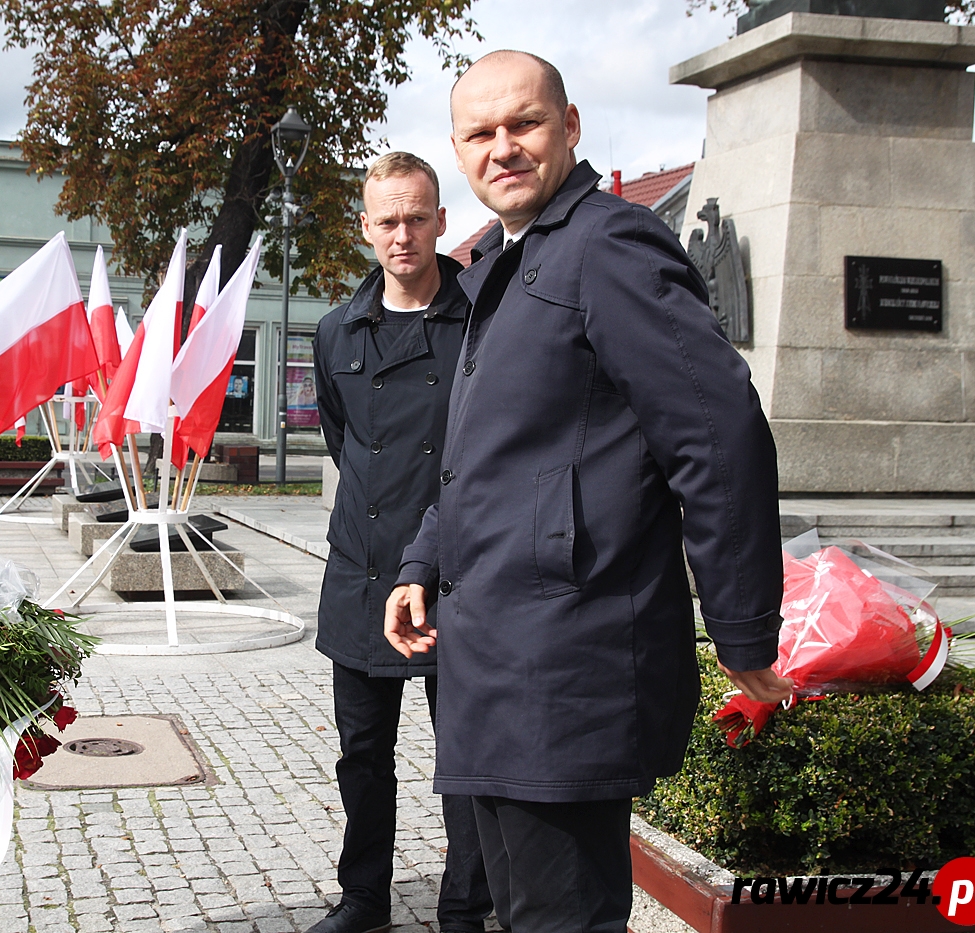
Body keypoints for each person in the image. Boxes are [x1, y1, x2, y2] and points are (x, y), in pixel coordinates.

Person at [383, 51, 794, 933]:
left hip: (565, 663)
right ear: (457, 151)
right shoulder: (500, 260)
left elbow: (717, 434)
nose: (504, 148)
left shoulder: (608, 244)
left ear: (569, 128)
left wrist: (742, 620)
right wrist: (425, 556)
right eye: (480, 133)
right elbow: (483, 453)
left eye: (524, 124)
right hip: (490, 655)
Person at [310, 152, 492, 933]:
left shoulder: (482, 321)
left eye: (418, 216)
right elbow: (342, 437)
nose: (403, 234)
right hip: (360, 570)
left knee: (468, 758)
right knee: (362, 754)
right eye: (387, 219)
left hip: (459, 575)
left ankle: (464, 906)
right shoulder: (335, 331)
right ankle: (364, 899)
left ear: (442, 220)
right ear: (365, 228)